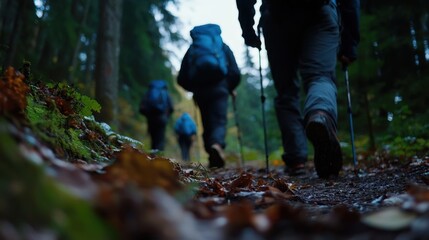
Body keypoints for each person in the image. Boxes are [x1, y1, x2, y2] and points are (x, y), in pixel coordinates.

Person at [236, 0, 360, 178]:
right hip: (320, 13)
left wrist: (248, 29)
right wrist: (350, 42)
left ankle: (296, 161)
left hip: (276, 17)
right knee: (320, 76)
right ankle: (320, 114)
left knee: (286, 92)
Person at [177, 24, 241, 168]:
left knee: (206, 122)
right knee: (219, 121)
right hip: (220, 89)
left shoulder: (193, 49)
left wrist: (193, 88)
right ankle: (216, 145)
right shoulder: (222, 47)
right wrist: (229, 87)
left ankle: (212, 155)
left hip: (200, 92)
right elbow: (235, 72)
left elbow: (181, 78)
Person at [139, 79, 174, 152]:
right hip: (162, 119)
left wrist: (148, 115)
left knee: (153, 138)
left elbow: (142, 108)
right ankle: (159, 158)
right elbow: (171, 108)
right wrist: (166, 116)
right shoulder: (166, 93)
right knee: (160, 139)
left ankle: (153, 157)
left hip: (151, 119)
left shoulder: (149, 92)